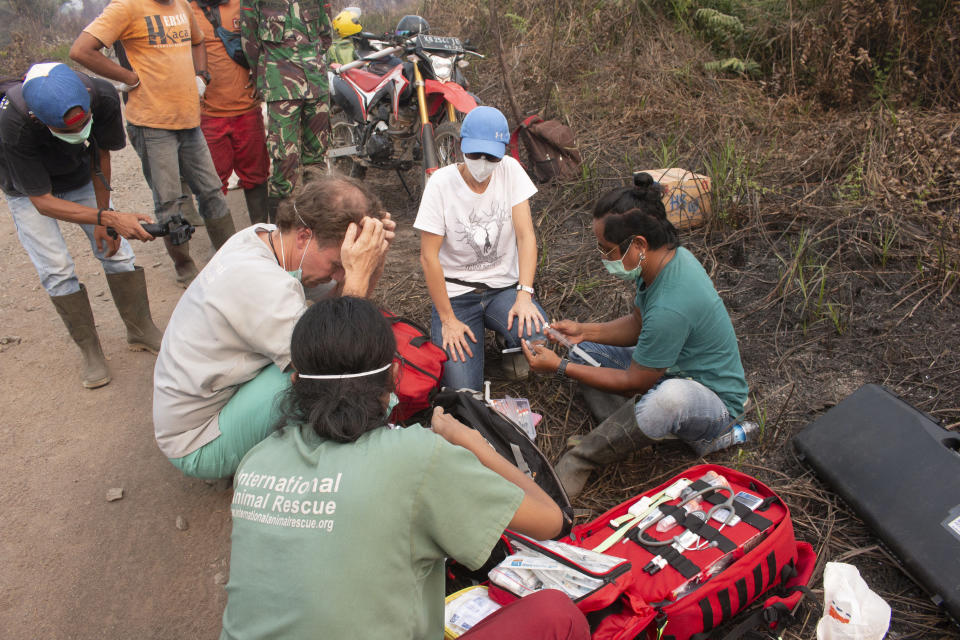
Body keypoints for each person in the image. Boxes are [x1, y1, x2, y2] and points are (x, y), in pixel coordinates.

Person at [219, 295, 589, 640]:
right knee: (558, 613)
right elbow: (551, 521)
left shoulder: (257, 459)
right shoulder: (416, 457)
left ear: (296, 382)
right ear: (396, 375)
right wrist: (473, 443)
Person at [522, 172, 754, 499]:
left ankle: (584, 457)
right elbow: (637, 323)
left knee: (667, 398)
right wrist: (583, 331)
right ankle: (633, 429)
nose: (603, 257)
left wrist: (559, 368)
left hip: (712, 404)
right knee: (581, 350)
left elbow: (636, 381)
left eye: (607, 249)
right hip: (669, 370)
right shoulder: (662, 263)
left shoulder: (672, 304)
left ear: (639, 245)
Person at [152, 174, 393, 479]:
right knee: (332, 382)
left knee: (338, 356)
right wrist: (358, 274)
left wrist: (374, 261)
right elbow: (339, 362)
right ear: (305, 236)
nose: (339, 277)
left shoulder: (266, 237)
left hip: (215, 401)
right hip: (197, 443)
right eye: (337, 265)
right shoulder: (260, 283)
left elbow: (333, 307)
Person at [0, 62, 163, 389]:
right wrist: (110, 218)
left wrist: (104, 213)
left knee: (116, 251)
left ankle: (140, 328)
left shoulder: (101, 94)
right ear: (38, 119)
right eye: (66, 132)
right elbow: (42, 202)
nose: (78, 135)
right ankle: (90, 350)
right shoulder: (12, 121)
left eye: (82, 125)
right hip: (29, 189)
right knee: (56, 268)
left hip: (80, 178)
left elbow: (101, 154)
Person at [71, 0, 239, 286]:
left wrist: (202, 75)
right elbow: (81, 50)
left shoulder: (182, 6)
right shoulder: (126, 7)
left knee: (211, 190)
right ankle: (186, 269)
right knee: (169, 200)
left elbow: (198, 42)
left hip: (188, 118)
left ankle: (233, 259)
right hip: (152, 123)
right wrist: (127, 77)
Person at [415, 106, 547, 391]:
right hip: (457, 294)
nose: (483, 163)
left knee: (537, 334)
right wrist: (448, 319)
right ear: (461, 147)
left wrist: (524, 294)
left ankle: (508, 343)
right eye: (475, 154)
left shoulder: (510, 171)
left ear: (503, 153)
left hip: (503, 289)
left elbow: (526, 237)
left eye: (492, 157)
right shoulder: (440, 184)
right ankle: (471, 340)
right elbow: (429, 257)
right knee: (463, 389)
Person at [240, 0, 333, 221]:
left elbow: (326, 34)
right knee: (284, 161)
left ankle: (315, 224)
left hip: (316, 85)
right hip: (280, 85)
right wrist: (261, 75)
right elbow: (249, 42)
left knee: (317, 159)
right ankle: (282, 233)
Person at [190, 0, 270, 224]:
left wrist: (260, 79)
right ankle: (224, 247)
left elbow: (264, 45)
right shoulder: (187, 10)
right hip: (209, 114)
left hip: (247, 110)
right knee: (212, 183)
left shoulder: (244, 6)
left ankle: (261, 235)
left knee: (256, 176)